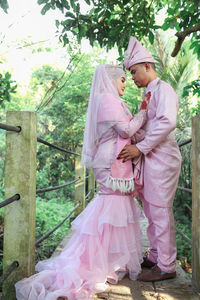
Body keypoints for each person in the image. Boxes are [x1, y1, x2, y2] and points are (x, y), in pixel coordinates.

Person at [15, 64, 150, 300]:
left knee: (115, 206)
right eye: (122, 80)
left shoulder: (110, 100)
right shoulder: (107, 100)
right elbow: (127, 130)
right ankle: (95, 261)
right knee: (110, 206)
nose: (124, 84)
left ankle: (108, 260)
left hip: (113, 159)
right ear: (110, 80)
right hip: (110, 161)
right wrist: (144, 112)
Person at [118, 36, 182, 282]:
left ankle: (166, 265)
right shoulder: (148, 93)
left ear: (148, 66)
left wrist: (140, 147)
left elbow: (167, 121)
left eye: (134, 72)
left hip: (161, 158)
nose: (132, 77)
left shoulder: (163, 89)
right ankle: (155, 256)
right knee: (150, 210)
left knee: (160, 210)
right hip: (150, 158)